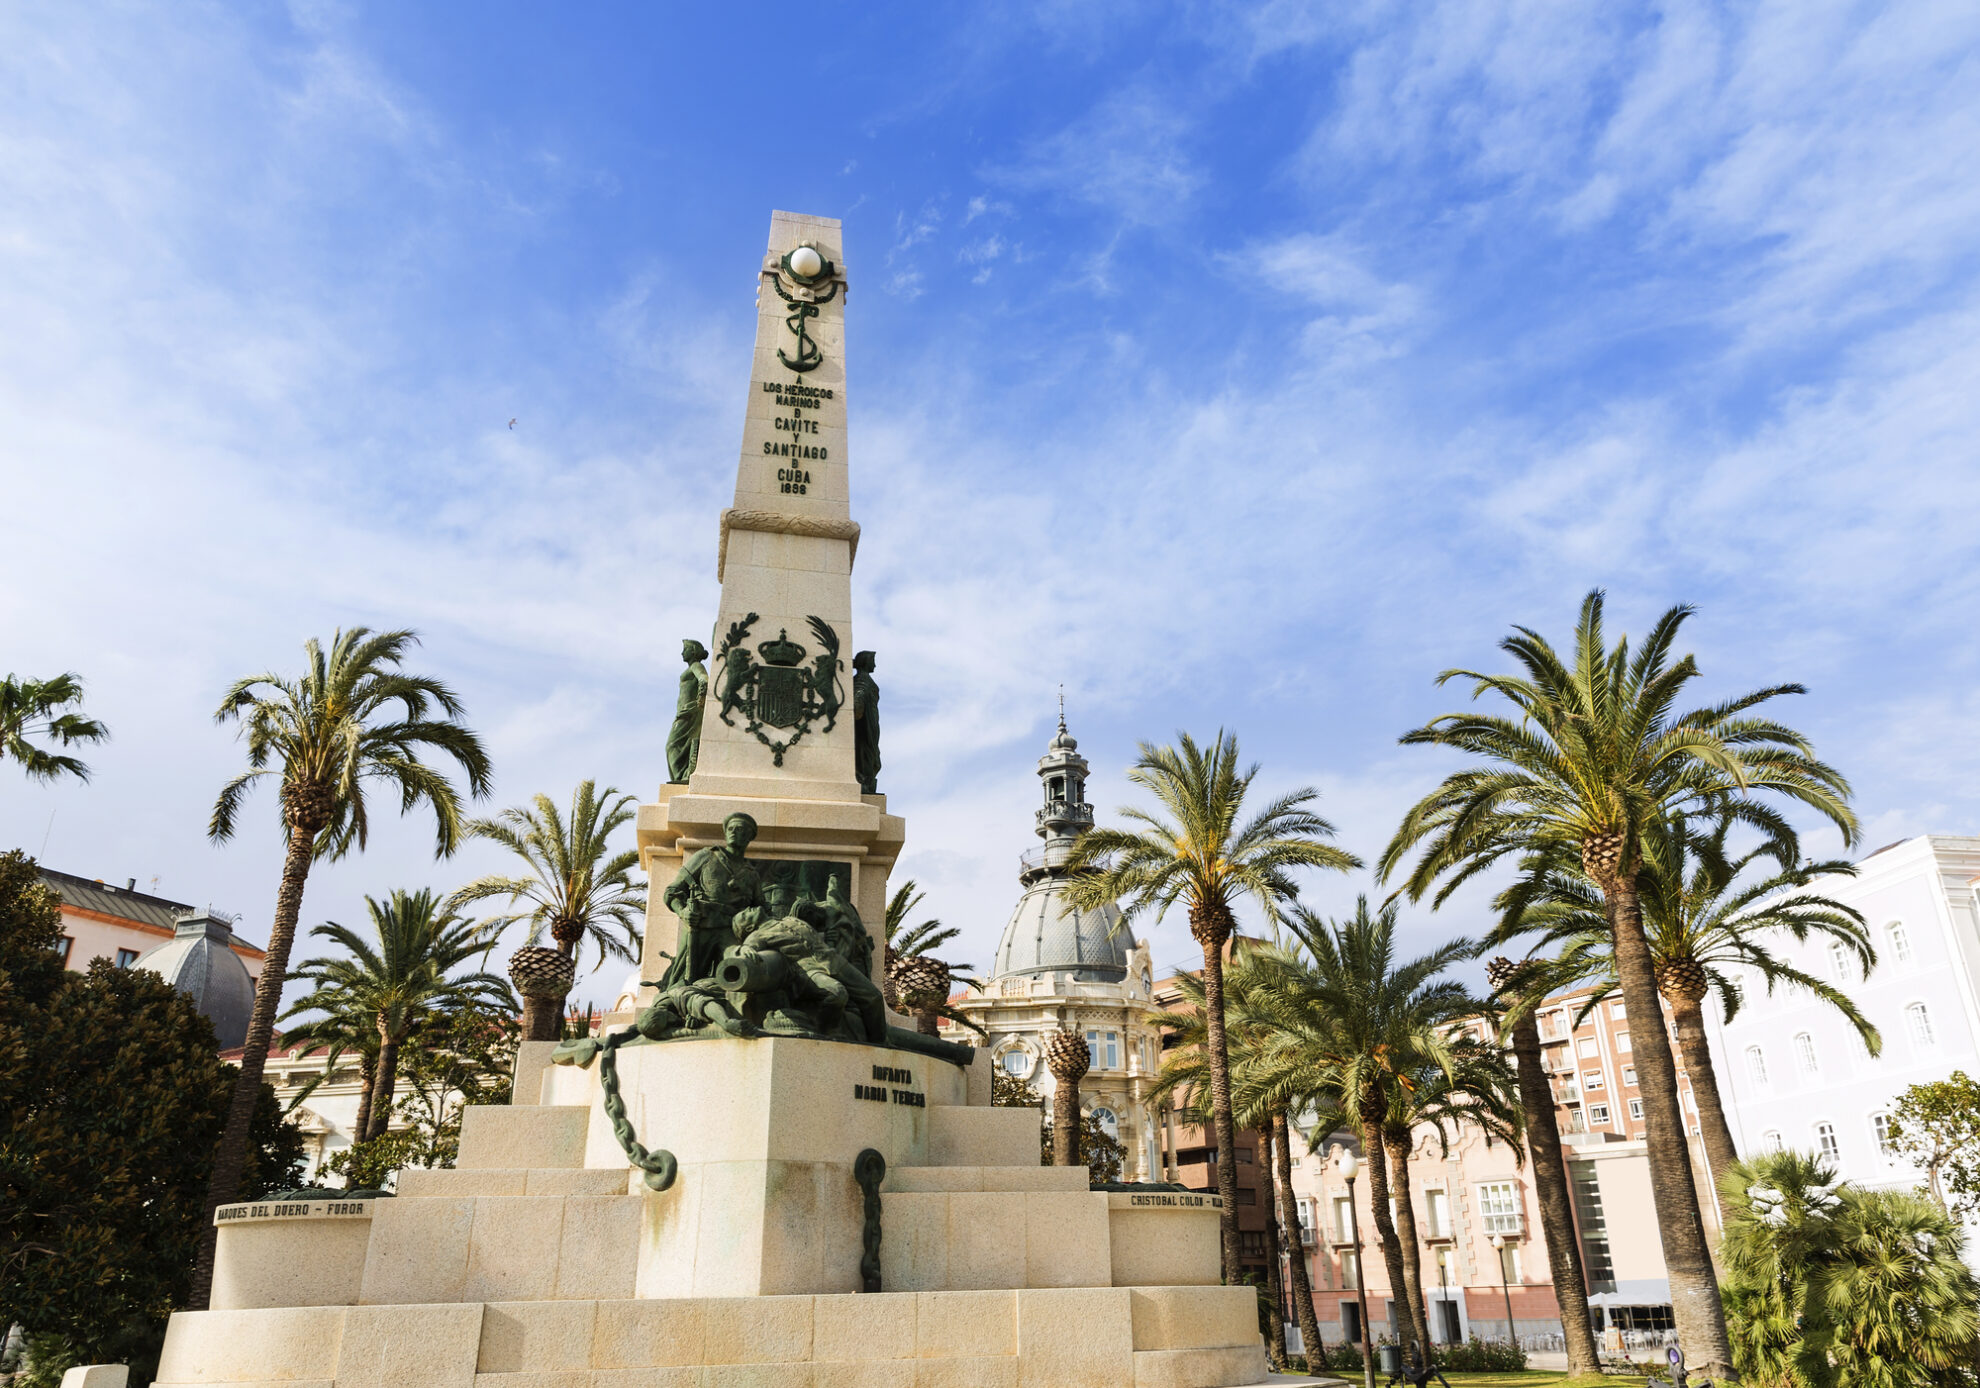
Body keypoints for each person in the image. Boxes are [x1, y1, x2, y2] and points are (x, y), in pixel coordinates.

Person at [658, 812, 765, 989]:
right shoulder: (706, 857)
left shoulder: (752, 875)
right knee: (682, 983)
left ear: (748, 836)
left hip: (731, 933)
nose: (732, 832)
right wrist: (683, 911)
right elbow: (672, 891)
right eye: (730, 828)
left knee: (738, 975)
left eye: (738, 829)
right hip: (701, 927)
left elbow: (760, 909)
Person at [665, 639, 709, 783]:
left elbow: (703, 677)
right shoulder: (690, 668)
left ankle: (681, 777)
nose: (682, 652)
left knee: (671, 745)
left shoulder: (696, 666)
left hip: (690, 711)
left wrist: (701, 693)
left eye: (685, 649)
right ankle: (682, 775)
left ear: (693, 651)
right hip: (684, 712)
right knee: (679, 745)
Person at [852, 650, 881, 794]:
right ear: (865, 662)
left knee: (871, 754)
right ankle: (863, 781)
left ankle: (865, 781)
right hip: (866, 725)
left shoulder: (863, 679)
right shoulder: (861, 680)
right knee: (867, 754)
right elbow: (859, 698)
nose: (874, 664)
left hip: (872, 723)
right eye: (872, 660)